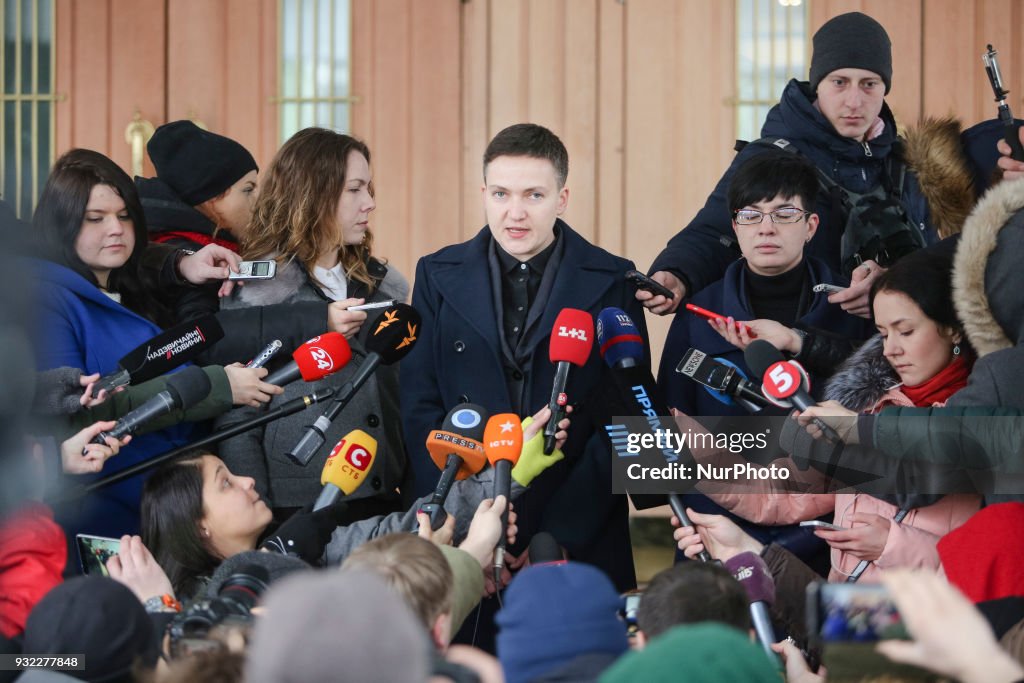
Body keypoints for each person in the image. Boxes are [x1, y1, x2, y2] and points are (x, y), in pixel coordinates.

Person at [401, 123, 649, 600]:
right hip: (462, 519)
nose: (514, 213)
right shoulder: (435, 272)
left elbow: (625, 417)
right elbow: (418, 402)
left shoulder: (614, 278)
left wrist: (553, 532)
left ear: (563, 197)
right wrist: (468, 516)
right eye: (501, 194)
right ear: (483, 194)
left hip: (576, 529)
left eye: (534, 195)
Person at [677, 249, 983, 586]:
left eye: (906, 331)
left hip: (937, 627)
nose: (891, 349)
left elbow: (986, 570)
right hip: (847, 623)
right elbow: (778, 494)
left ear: (953, 329)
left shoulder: (983, 420)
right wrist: (682, 446)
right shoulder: (870, 406)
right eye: (882, 334)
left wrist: (892, 546)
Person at [29, 149, 281, 539]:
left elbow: (153, 262)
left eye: (124, 215)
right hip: (112, 517)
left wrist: (185, 264)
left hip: (174, 507)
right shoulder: (48, 300)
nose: (115, 229)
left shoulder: (127, 281)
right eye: (95, 219)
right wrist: (217, 386)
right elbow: (79, 416)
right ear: (62, 225)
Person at [643, 12, 951, 319]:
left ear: (885, 89)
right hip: (797, 343)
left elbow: (931, 258)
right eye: (839, 83)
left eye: (869, 84)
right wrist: (676, 273)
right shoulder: (773, 156)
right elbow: (713, 233)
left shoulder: (907, 163)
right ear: (818, 84)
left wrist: (889, 282)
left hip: (895, 346)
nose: (854, 101)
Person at [141, 409, 566, 599]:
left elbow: (407, 525)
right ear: (199, 526)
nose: (248, 480)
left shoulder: (312, 544)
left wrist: (506, 472)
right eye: (226, 483)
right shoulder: (192, 614)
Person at [215, 128, 409, 524]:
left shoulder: (385, 286)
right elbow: (237, 419)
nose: (370, 203)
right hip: (297, 510)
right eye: (354, 189)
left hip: (385, 501)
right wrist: (262, 519)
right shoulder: (251, 292)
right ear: (312, 193)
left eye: (369, 188)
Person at [659, 151, 871, 418]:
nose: (766, 228)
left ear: (811, 227)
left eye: (784, 214)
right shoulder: (698, 314)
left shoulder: (852, 305)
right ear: (735, 227)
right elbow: (665, 423)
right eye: (751, 215)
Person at [137, 120, 353, 367]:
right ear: (212, 198)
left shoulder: (199, 247)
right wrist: (315, 319)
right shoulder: (189, 258)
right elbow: (205, 341)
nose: (258, 203)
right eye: (248, 190)